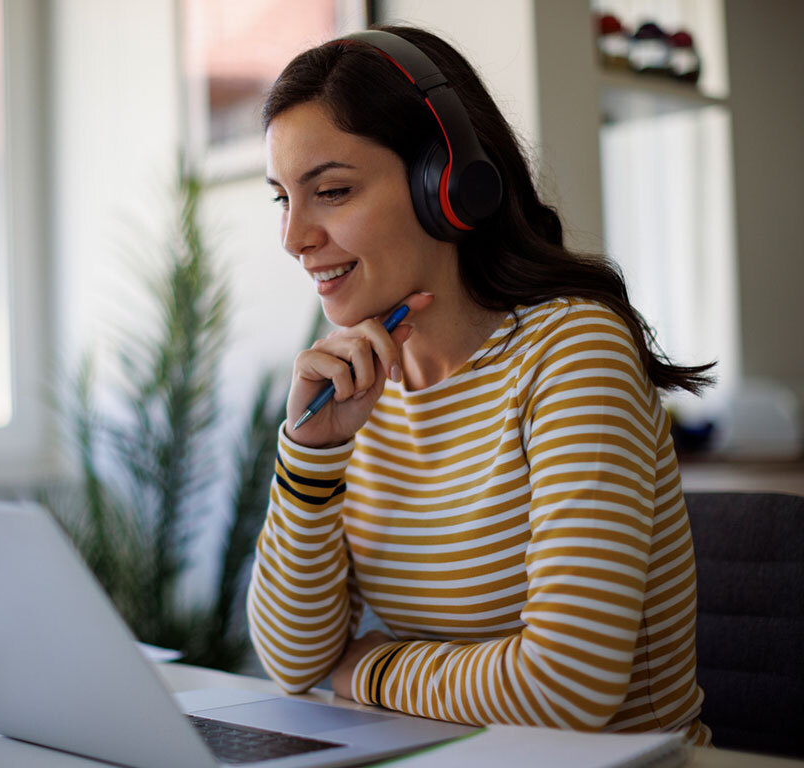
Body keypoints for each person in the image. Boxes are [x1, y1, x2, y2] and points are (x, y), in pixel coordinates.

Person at [246, 25, 714, 745]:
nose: (294, 236)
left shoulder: (571, 352)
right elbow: (292, 660)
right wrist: (310, 455)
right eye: (283, 198)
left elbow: (567, 688)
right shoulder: (355, 388)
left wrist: (367, 670)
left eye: (331, 191)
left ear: (448, 183)